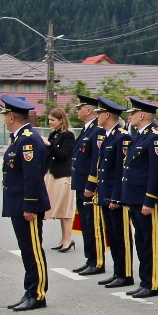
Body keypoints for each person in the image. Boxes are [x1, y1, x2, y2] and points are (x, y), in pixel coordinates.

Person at [0, 96, 51, 312]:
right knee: (26, 249)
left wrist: (29, 205)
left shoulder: (28, 139)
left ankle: (38, 293)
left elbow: (33, 176)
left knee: (32, 250)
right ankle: (30, 290)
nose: (5, 120)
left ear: (11, 117)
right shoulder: (21, 138)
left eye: (5, 116)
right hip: (18, 202)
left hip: (26, 204)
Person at [120, 97, 158, 298]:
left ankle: (153, 283)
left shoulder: (154, 138)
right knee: (141, 241)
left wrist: (150, 199)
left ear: (141, 115)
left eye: (132, 113)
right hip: (134, 197)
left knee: (150, 242)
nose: (129, 117)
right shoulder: (139, 136)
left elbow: (155, 173)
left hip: (145, 200)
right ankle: (145, 280)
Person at [92, 98, 133, 288]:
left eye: (98, 113)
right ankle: (118, 271)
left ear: (107, 115)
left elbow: (121, 170)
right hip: (106, 194)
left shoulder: (122, 137)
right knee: (113, 236)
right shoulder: (108, 136)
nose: (96, 117)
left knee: (121, 236)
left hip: (115, 196)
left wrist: (117, 196)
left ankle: (125, 273)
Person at [69, 96, 105, 275]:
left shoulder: (97, 131)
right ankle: (90, 258)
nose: (77, 111)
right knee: (85, 223)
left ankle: (97, 261)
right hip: (81, 184)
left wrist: (91, 183)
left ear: (89, 110)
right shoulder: (87, 130)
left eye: (80, 108)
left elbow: (96, 160)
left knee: (92, 224)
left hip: (89, 186)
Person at [43, 107, 77, 252]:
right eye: (49, 120)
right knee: (57, 208)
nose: (50, 122)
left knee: (65, 207)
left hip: (63, 174)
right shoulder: (53, 134)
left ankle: (68, 238)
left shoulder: (68, 135)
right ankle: (63, 238)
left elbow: (64, 155)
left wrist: (49, 145)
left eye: (53, 120)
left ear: (61, 120)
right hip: (52, 173)